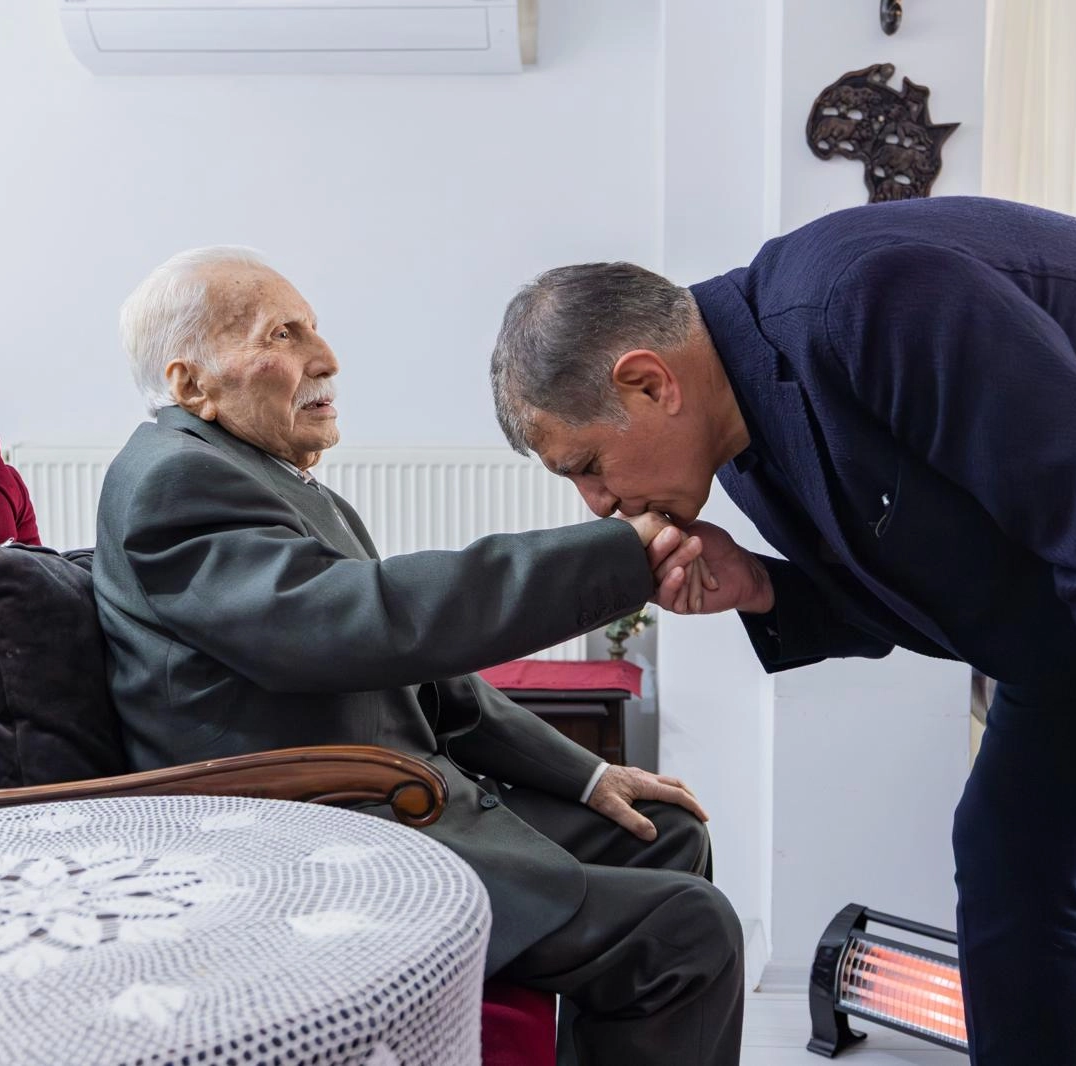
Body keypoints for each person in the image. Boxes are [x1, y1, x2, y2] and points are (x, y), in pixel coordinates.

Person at [488, 197, 1076, 1066]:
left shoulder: (868, 299)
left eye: (586, 464)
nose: (599, 502)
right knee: (1004, 858)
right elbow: (954, 594)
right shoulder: (744, 438)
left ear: (650, 382)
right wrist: (762, 589)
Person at [95, 246, 744, 1066]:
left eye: (314, 330)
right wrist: (619, 555)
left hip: (395, 798)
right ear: (190, 383)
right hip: (309, 835)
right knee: (687, 932)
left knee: (665, 830)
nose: (325, 359)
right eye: (284, 335)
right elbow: (361, 623)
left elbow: (418, 673)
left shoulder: (264, 477)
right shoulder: (172, 480)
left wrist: (590, 774)